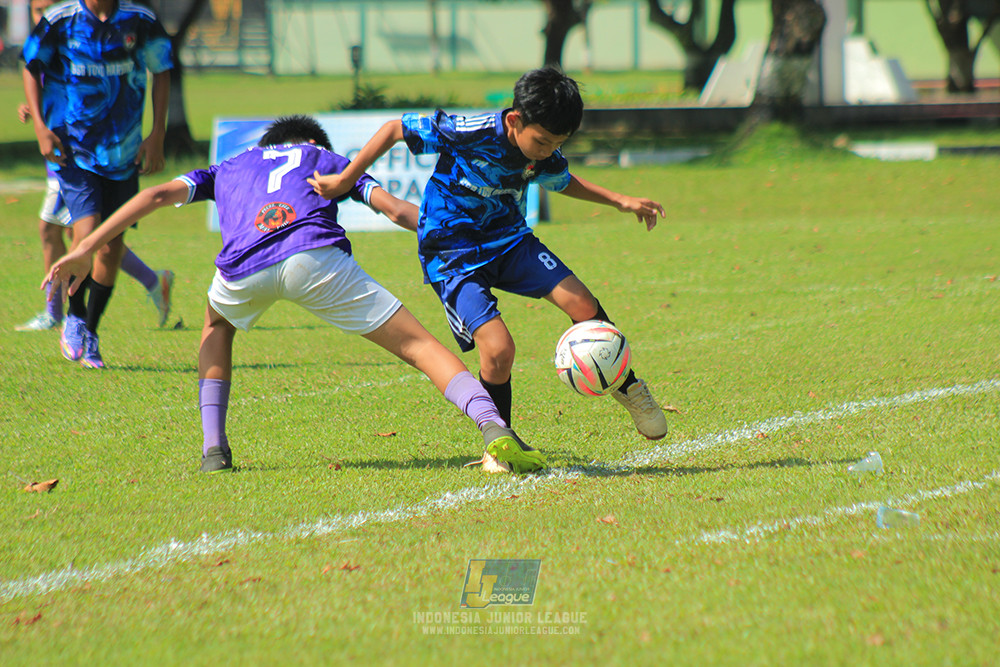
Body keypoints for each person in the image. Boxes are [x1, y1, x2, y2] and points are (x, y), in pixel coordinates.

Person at [45, 115, 546, 475]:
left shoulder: (229, 165)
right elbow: (394, 210)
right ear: (307, 141)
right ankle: (492, 427)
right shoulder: (322, 155)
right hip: (315, 258)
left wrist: (86, 246)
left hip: (242, 269)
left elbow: (154, 195)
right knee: (418, 346)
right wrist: (470, 235)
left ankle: (214, 449)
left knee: (216, 328)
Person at [309, 67, 669, 441]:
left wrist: (620, 201)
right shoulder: (469, 130)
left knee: (582, 303)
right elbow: (394, 128)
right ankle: (500, 439)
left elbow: (562, 181)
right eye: (543, 142)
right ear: (515, 120)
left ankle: (628, 387)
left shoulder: (543, 149)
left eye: (556, 144)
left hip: (510, 240)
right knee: (498, 351)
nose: (548, 152)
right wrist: (346, 179)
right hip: (452, 254)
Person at [22, 0, 172, 367]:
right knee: (84, 235)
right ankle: (73, 316)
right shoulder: (61, 20)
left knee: (110, 247)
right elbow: (31, 65)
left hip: (123, 154)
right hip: (74, 152)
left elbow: (162, 70)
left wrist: (157, 134)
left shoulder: (140, 20)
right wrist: (41, 127)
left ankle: (91, 330)